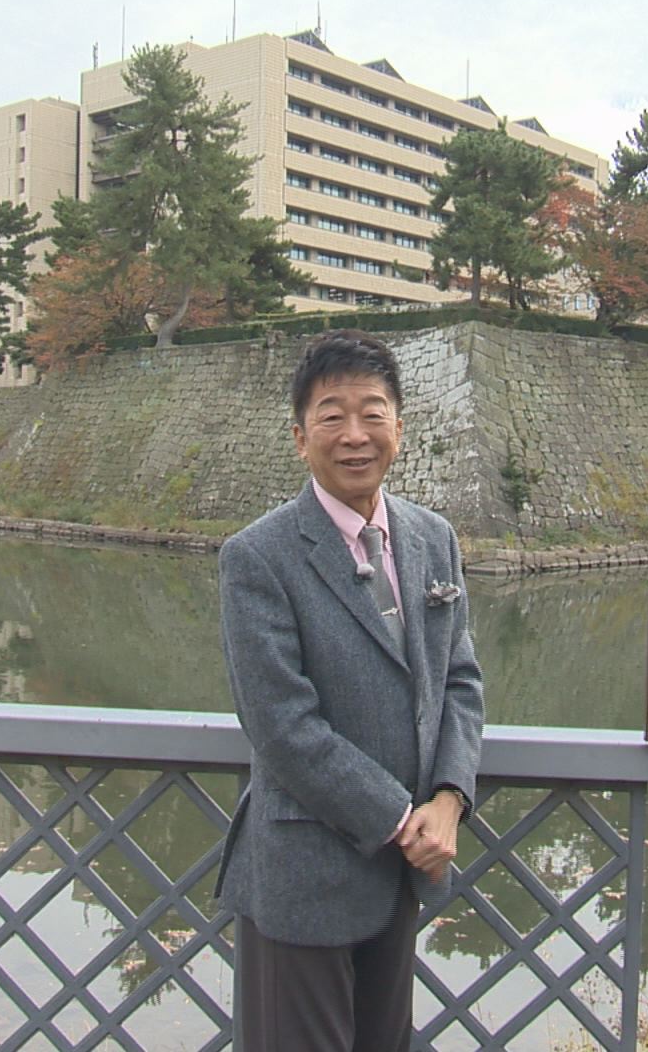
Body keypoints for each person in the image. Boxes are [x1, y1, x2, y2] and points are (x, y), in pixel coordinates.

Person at [215, 330, 484, 1051]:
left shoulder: (433, 538)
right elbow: (281, 727)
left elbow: (460, 680)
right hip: (305, 874)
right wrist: (403, 819)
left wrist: (450, 802)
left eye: (373, 413)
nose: (355, 435)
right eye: (333, 416)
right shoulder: (258, 556)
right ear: (300, 438)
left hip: (402, 872)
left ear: (401, 426)